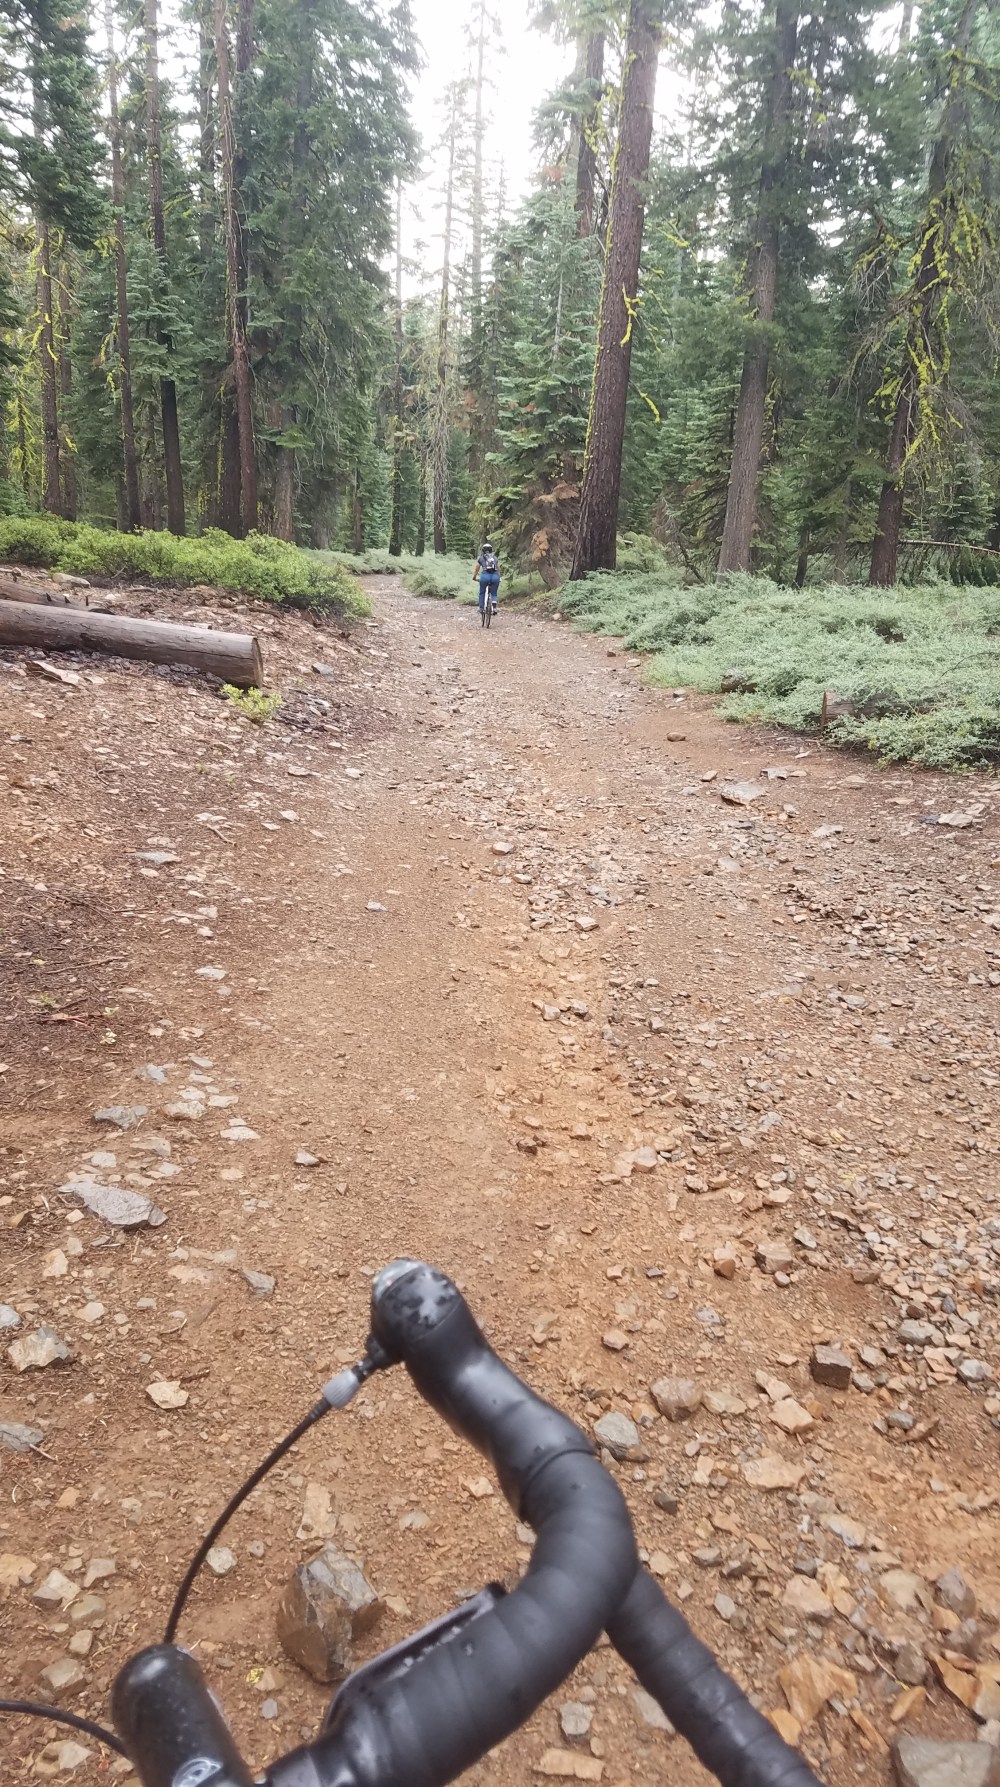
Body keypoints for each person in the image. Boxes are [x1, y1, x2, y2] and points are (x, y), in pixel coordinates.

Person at [473, 541, 501, 617]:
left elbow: (477, 568)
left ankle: (481, 608)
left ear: (483, 550)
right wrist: (499, 577)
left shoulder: (481, 558)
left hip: (485, 576)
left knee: (482, 592)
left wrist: (474, 577)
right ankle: (494, 607)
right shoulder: (495, 558)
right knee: (494, 593)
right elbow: (498, 568)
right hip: (495, 576)